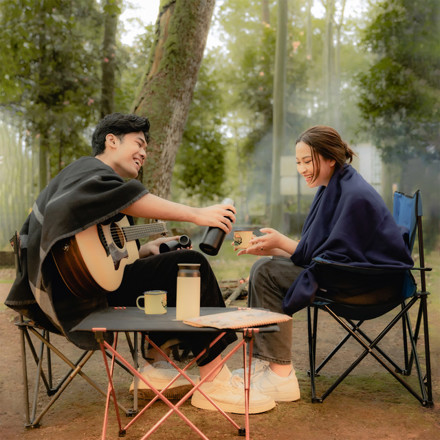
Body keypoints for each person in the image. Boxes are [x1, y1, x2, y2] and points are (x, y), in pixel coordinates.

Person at [5, 112, 275, 415]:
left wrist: (144, 250)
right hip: (71, 294)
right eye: (139, 143)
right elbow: (126, 202)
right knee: (191, 264)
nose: (144, 153)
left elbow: (98, 250)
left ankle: (157, 366)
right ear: (111, 140)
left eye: (145, 148)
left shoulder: (91, 187)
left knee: (167, 262)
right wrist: (198, 214)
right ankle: (214, 382)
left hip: (90, 289)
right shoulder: (87, 171)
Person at [233, 125, 414, 403]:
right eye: (298, 162)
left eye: (307, 161)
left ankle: (280, 376)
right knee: (265, 265)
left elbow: (332, 259)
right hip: (350, 274)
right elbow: (321, 251)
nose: (302, 169)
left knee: (267, 272)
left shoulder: (354, 195)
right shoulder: (334, 186)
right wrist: (275, 248)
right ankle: (265, 364)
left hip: (366, 285)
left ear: (331, 158)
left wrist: (282, 243)